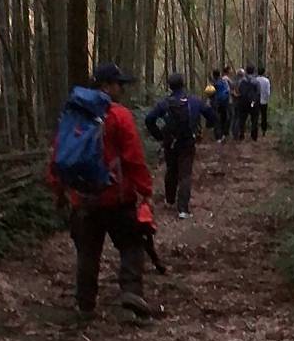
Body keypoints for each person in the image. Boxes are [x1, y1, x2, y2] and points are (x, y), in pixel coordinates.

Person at [48, 62, 154, 320]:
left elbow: (59, 155)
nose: (121, 90)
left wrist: (59, 191)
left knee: (87, 252)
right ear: (105, 86)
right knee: (131, 245)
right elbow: (133, 158)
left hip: (83, 199)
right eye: (119, 84)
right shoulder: (118, 115)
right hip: (117, 197)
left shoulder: (73, 114)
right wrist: (145, 189)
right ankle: (130, 292)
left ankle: (85, 305)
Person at [145, 72, 215, 220]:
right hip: (188, 142)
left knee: (171, 170)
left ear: (169, 86)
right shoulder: (194, 101)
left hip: (170, 142)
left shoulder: (164, 103)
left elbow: (149, 119)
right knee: (185, 173)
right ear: (183, 84)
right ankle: (183, 209)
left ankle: (170, 201)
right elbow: (211, 115)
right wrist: (208, 127)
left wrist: (159, 135)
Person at [236, 64, 260, 141]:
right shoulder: (256, 81)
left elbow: (239, 91)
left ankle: (241, 134)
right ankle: (254, 135)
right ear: (253, 71)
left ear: (246, 71)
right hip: (252, 102)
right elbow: (258, 92)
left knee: (242, 118)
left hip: (243, 102)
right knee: (254, 118)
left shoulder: (241, 81)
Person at [210, 69, 230, 141]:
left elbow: (209, 93)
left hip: (216, 104)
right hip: (225, 103)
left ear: (214, 75)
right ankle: (224, 134)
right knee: (224, 119)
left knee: (217, 120)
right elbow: (228, 91)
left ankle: (218, 137)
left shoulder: (214, 83)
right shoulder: (224, 81)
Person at [256, 66, 271, 136]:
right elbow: (268, 92)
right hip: (264, 102)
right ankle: (263, 130)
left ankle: (254, 130)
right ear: (264, 72)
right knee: (264, 116)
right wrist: (267, 99)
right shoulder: (266, 81)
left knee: (255, 115)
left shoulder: (255, 80)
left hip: (255, 101)